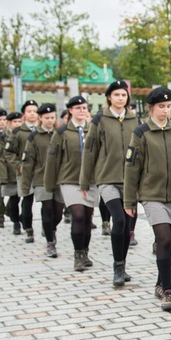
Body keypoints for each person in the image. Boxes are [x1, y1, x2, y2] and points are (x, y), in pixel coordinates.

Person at [124, 87, 171, 311]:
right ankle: (167, 290)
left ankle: (160, 281)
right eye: (161, 107)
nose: (165, 111)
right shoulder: (141, 133)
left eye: (168, 106)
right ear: (151, 108)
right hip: (152, 195)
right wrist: (129, 200)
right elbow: (131, 168)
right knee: (164, 238)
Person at [80, 80, 139, 286]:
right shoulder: (99, 120)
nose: (120, 98)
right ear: (109, 97)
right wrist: (84, 182)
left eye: (123, 95)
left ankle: (122, 265)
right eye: (116, 95)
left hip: (130, 181)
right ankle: (117, 266)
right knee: (119, 221)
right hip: (107, 179)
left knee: (127, 225)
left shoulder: (134, 120)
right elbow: (90, 151)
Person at [44, 96, 98, 271]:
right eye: (78, 108)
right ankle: (77, 254)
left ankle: (85, 252)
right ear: (71, 111)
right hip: (69, 179)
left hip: (90, 180)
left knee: (87, 218)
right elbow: (52, 159)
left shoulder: (94, 130)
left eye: (84, 107)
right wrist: (49, 185)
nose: (82, 110)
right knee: (78, 214)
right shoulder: (62, 132)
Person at [21, 104, 63, 257]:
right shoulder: (34, 137)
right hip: (41, 179)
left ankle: (50, 229)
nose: (50, 121)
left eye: (52, 117)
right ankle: (50, 243)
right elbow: (28, 162)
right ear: (40, 119)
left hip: (60, 178)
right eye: (47, 118)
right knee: (47, 209)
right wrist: (26, 186)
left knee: (58, 212)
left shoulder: (60, 133)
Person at [4, 100, 39, 243]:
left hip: (43, 172)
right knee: (27, 201)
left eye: (35, 111)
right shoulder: (18, 132)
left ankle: (49, 228)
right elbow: (8, 152)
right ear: (24, 114)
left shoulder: (45, 129)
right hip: (25, 172)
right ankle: (28, 228)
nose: (32, 114)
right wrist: (18, 164)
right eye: (29, 111)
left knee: (48, 202)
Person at [0, 112, 23, 234]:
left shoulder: (25, 135)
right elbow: (0, 157)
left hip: (24, 172)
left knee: (25, 199)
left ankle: (21, 217)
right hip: (11, 173)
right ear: (9, 123)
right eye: (15, 122)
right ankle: (16, 223)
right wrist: (3, 177)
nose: (17, 124)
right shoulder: (3, 137)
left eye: (19, 121)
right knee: (14, 199)